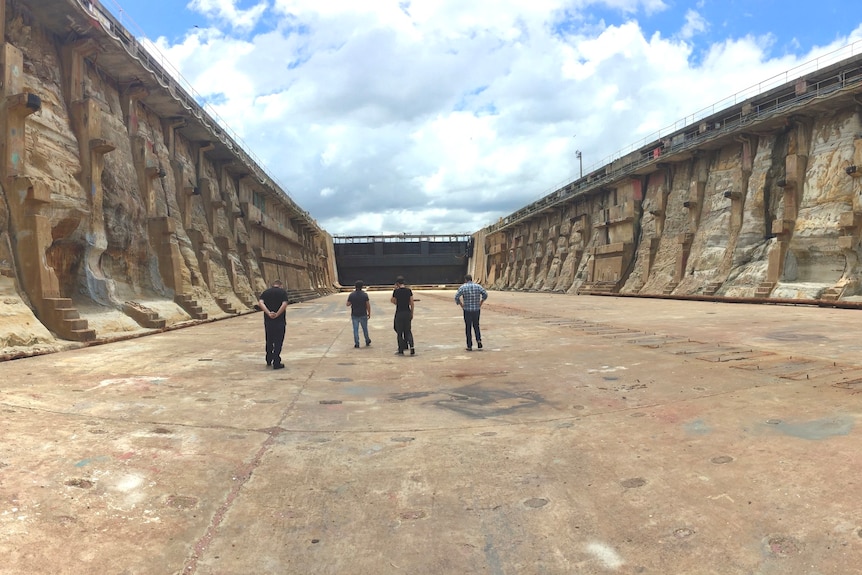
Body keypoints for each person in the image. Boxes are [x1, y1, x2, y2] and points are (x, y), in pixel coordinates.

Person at [258, 279, 289, 369]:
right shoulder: (282, 292)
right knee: (278, 341)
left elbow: (260, 303)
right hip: (279, 321)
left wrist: (268, 313)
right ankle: (276, 361)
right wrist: (277, 314)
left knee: (269, 340)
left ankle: (268, 359)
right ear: (281, 285)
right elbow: (284, 304)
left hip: (268, 321)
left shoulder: (266, 292)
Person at [454, 274, 488, 351]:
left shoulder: (463, 287)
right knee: (476, 325)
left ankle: (469, 345)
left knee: (468, 327)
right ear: (471, 279)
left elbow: (456, 297)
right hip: (476, 309)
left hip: (467, 310)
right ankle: (478, 340)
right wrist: (481, 302)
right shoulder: (478, 286)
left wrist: (461, 304)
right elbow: (485, 294)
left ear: (465, 280)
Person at [390, 276, 415, 355]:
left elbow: (393, 301)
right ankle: (411, 347)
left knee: (399, 331)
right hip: (407, 312)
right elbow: (412, 302)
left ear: (397, 284)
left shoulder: (396, 291)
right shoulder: (408, 291)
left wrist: (394, 290)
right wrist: (411, 312)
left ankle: (401, 349)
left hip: (399, 312)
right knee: (408, 330)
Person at [346, 280, 372, 348]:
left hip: (354, 314)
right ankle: (367, 340)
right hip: (363, 314)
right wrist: (369, 313)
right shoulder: (364, 295)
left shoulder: (352, 295)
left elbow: (348, 304)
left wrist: (352, 301)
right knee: (365, 329)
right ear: (362, 287)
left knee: (355, 329)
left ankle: (357, 343)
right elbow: (368, 305)